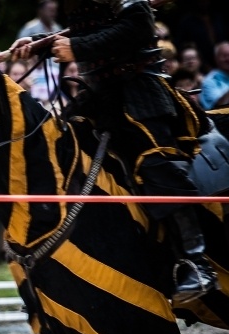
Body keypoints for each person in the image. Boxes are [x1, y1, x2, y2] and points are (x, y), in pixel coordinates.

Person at [12, 0, 218, 302]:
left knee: (156, 164)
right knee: (60, 148)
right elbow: (90, 29)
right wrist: (38, 44)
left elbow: (135, 28)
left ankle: (196, 263)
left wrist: (77, 48)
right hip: (99, 96)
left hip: (140, 92)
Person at [200, 42, 229, 110]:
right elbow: (219, 108)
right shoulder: (209, 81)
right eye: (224, 56)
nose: (228, 59)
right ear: (216, 58)